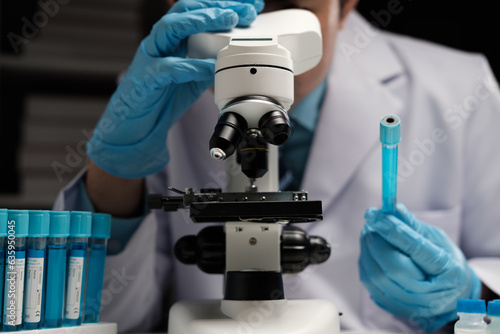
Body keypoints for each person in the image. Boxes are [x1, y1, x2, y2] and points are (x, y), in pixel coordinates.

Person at [54, 0, 500, 332]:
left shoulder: (461, 90)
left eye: (287, 7)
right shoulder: (155, 96)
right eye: (238, 11)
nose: (257, 33)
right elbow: (107, 318)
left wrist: (469, 297)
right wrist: (114, 171)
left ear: (344, 10)